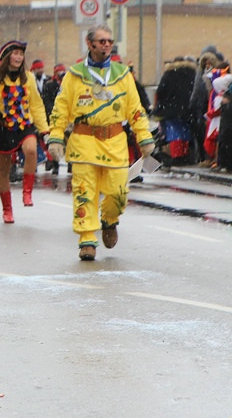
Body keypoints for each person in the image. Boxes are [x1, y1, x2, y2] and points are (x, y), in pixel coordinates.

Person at [47, 26, 155, 261]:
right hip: (84, 141)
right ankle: (87, 239)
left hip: (115, 142)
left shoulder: (122, 74)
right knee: (84, 192)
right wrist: (55, 137)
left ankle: (109, 220)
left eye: (110, 41)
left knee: (118, 193)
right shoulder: (74, 74)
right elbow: (61, 107)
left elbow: (135, 109)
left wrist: (144, 136)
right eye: (102, 41)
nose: (107, 44)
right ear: (90, 43)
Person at [0, 40, 49, 223]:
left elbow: (37, 105)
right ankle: (7, 209)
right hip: (4, 129)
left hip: (24, 125)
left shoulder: (28, 77)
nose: (19, 57)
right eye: (16, 54)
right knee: (3, 171)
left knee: (31, 150)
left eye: (21, 54)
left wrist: (44, 129)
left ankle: (27, 192)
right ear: (7, 57)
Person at [151, 56, 196, 167]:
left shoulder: (169, 73)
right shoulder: (192, 73)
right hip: (187, 108)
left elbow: (161, 90)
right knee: (185, 131)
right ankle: (185, 155)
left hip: (171, 109)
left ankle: (177, 155)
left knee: (174, 132)